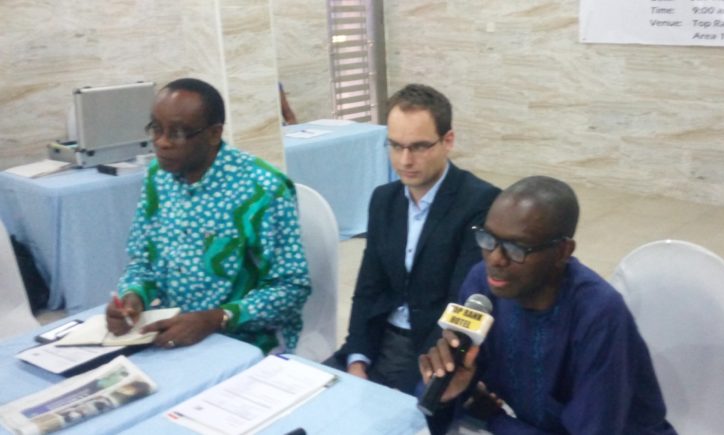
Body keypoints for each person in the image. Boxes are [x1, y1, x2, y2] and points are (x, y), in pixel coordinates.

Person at [419, 176, 676, 434]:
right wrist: (445, 393)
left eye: (516, 248)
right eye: (488, 239)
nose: (495, 258)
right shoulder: (484, 285)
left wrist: (496, 421)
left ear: (563, 251)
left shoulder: (599, 314)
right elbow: (463, 402)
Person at [106, 78, 311, 354]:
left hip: (245, 340)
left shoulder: (262, 190)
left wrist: (216, 319)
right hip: (169, 331)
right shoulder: (158, 177)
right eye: (156, 129)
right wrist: (132, 298)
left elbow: (291, 288)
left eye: (177, 133)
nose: (162, 143)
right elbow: (142, 262)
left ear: (214, 134)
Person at [327, 84, 500, 393]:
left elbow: (463, 303)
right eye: (395, 146)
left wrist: (428, 368)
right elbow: (368, 289)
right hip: (380, 337)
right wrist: (357, 358)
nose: (404, 160)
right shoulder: (384, 200)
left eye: (419, 147)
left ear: (448, 141)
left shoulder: (480, 203)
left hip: (434, 348)